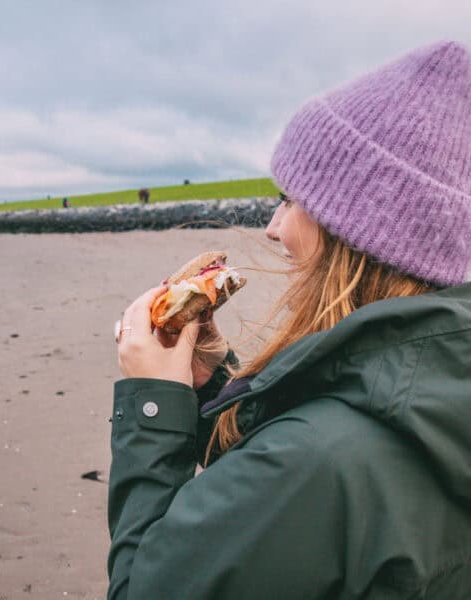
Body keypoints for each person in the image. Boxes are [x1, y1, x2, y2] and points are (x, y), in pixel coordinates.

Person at [108, 40, 471, 599]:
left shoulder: (316, 464)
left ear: (358, 233)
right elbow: (297, 524)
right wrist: (213, 390)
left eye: (291, 199)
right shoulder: (439, 397)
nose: (275, 227)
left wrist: (152, 403)